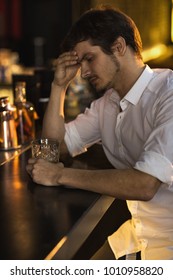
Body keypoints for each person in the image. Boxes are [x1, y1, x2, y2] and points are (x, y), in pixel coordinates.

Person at [26, 6, 173, 260]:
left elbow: (145, 184)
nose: (83, 72)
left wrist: (60, 175)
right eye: (79, 62)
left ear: (118, 47)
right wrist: (59, 86)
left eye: (89, 58)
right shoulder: (109, 103)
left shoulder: (167, 94)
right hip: (140, 235)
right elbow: (54, 148)